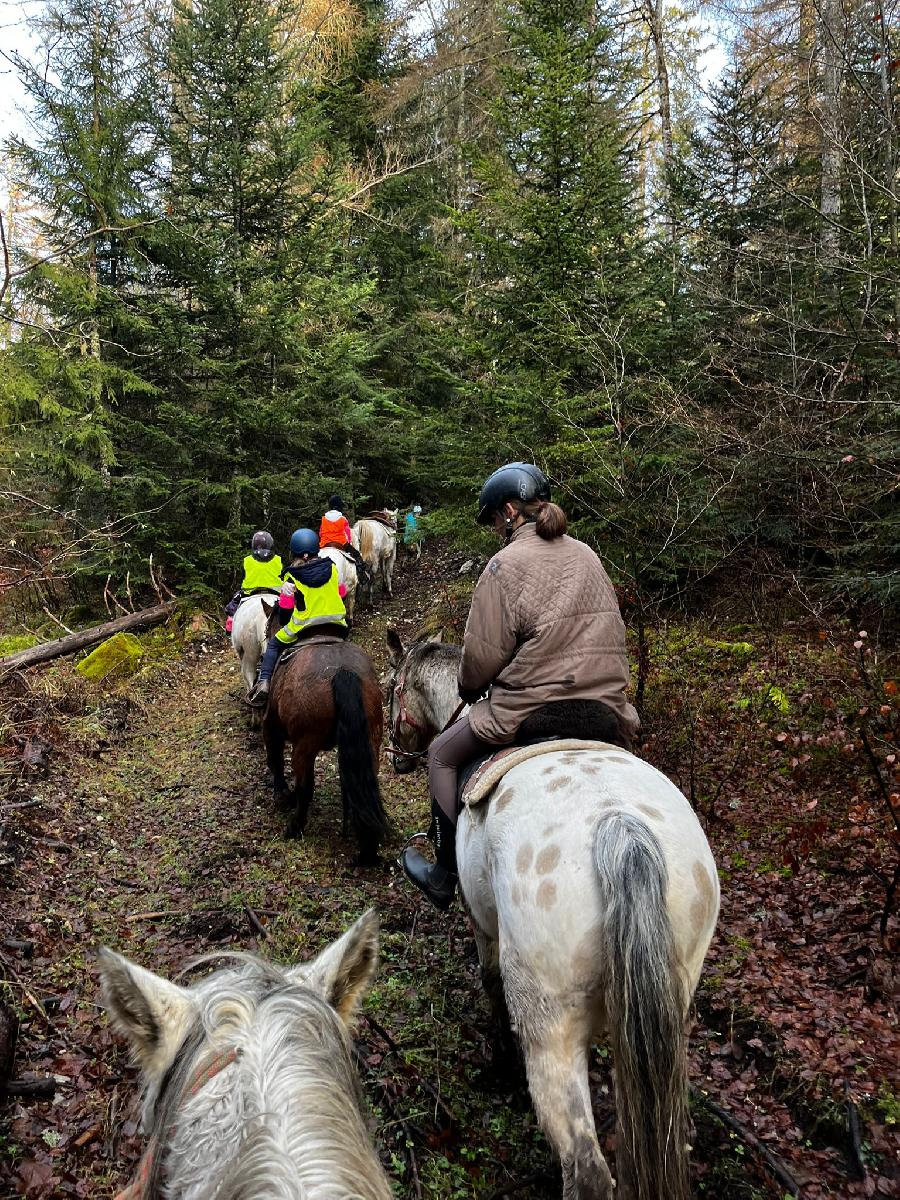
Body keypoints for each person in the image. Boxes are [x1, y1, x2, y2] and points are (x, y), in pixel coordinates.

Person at [400, 462, 640, 910]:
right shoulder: (587, 554)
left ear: (509, 511)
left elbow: (481, 658)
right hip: (605, 705)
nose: (495, 529)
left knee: (440, 756)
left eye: (493, 519)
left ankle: (444, 873)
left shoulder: (502, 566)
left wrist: (472, 688)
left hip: (530, 709)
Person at [249, 528, 348, 707]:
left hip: (304, 627)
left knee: (272, 645)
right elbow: (342, 593)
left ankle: (263, 683)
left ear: (300, 555)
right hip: (337, 624)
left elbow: (286, 612)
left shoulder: (291, 576)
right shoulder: (332, 568)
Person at [224, 531, 283, 632]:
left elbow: (242, 578)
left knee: (233, 604)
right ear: (270, 544)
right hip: (275, 593)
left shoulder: (247, 560)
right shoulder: (279, 560)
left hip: (249, 593)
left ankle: (230, 620)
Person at [319, 494, 367, 572]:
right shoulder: (343, 519)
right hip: (341, 543)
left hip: (325, 544)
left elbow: (320, 533)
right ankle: (361, 574)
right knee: (357, 555)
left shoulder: (323, 518)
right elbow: (348, 536)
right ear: (340, 506)